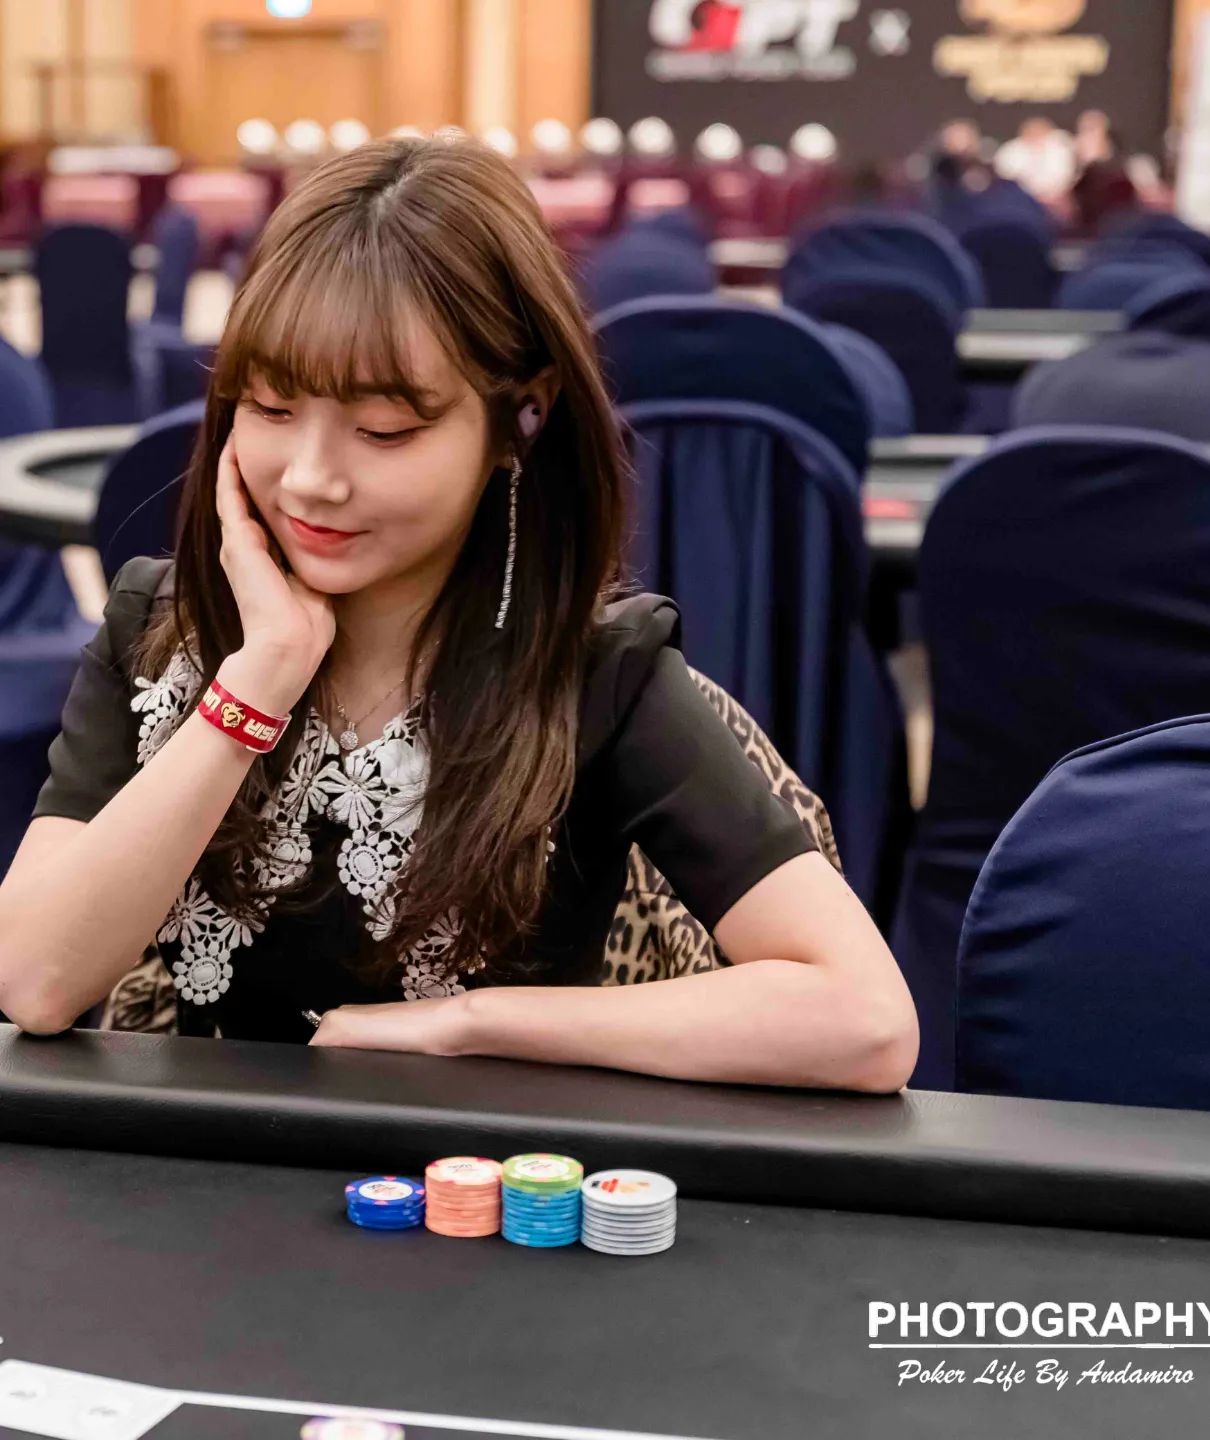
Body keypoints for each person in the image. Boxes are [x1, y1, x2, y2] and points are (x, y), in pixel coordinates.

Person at [0, 135, 919, 1093]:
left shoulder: (596, 679)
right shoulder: (158, 630)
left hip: (480, 1182)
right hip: (203, 1176)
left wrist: (469, 1023)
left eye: (384, 429)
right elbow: (33, 981)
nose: (310, 478)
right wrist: (258, 682)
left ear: (522, 417)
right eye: (269, 408)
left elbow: (866, 1020)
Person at [993, 116, 1075, 205]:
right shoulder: (1010, 151)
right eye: (1032, 133)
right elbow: (1006, 176)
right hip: (1021, 198)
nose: (1036, 136)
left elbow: (1065, 175)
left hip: (1057, 196)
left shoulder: (1060, 146)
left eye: (1039, 132)